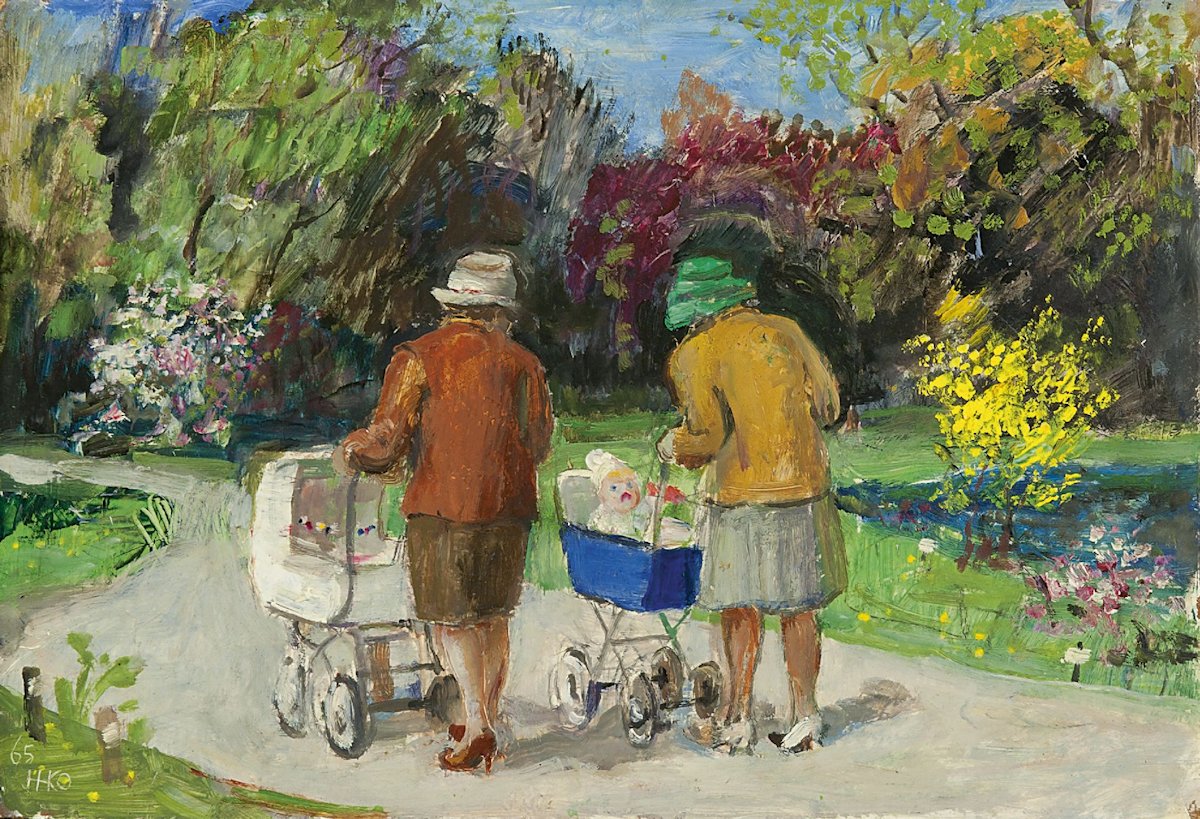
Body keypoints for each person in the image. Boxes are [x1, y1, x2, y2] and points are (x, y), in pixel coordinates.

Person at [335, 250, 553, 773]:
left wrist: (354, 452)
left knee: (451, 621)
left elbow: (387, 439)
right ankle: (486, 717)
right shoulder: (525, 364)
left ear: (452, 304)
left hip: (442, 506)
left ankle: (477, 726)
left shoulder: (418, 357)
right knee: (493, 616)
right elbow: (540, 441)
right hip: (508, 507)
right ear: (499, 310)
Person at [657, 253, 847, 755]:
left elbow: (705, 436)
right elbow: (829, 405)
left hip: (738, 496)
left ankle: (737, 718)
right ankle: (805, 715)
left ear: (695, 310)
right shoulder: (788, 331)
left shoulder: (695, 352)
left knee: (740, 608)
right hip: (802, 486)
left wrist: (672, 445)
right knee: (799, 608)